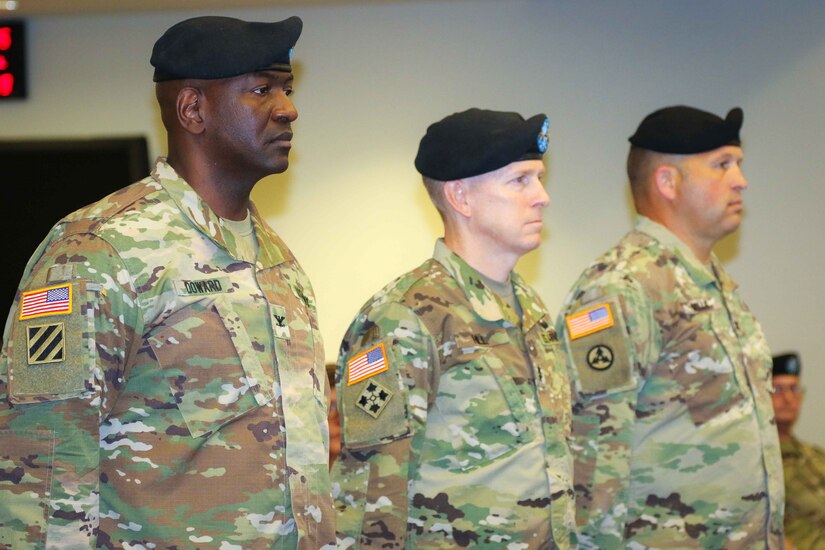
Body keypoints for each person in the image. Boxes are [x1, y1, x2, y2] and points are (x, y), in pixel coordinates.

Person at [0, 16, 335, 548]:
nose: (289, 107)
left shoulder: (277, 260)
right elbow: (41, 470)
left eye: (287, 89)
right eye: (261, 89)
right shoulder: (98, 250)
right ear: (193, 109)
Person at [331, 108, 576, 549]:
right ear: (462, 198)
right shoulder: (404, 317)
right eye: (520, 180)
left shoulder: (530, 307)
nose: (542, 196)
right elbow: (369, 497)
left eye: (538, 179)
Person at [557, 105, 784, 548]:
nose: (741, 180)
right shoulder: (619, 289)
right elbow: (593, 456)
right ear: (667, 182)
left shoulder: (712, 282)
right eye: (722, 165)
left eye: (738, 164)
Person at [771, 353, 825, 549]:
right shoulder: (757, 463)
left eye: (794, 389)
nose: (788, 398)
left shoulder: (817, 457)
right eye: (778, 389)